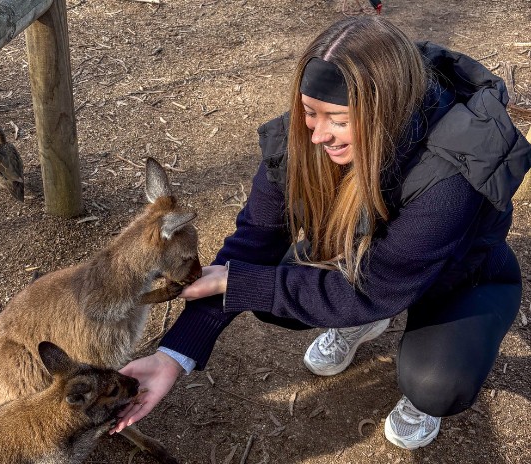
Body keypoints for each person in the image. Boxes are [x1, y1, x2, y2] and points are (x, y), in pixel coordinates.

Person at [113, 16, 531, 450]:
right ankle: (358, 323)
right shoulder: (304, 140)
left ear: (385, 110)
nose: (316, 135)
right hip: (368, 262)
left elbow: (375, 288)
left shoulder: (450, 176)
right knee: (270, 293)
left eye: (337, 119)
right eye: (308, 112)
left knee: (436, 383)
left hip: (454, 277)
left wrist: (243, 283)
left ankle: (420, 393)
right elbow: (254, 239)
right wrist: (172, 355)